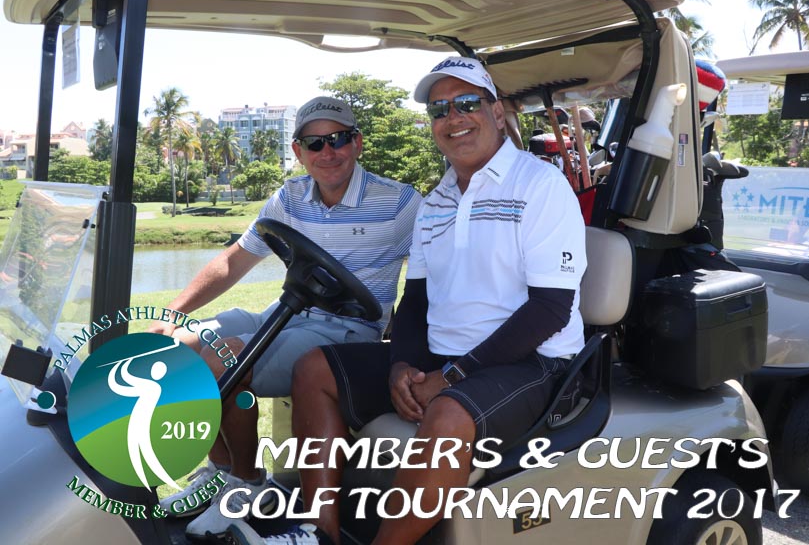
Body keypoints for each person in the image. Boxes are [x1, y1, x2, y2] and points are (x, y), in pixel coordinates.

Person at [227, 57, 587, 545]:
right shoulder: (436, 201)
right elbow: (414, 301)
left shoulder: (540, 185)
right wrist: (402, 366)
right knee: (314, 369)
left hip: (532, 362)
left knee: (448, 413)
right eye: (440, 109)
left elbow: (550, 309)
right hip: (445, 356)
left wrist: (452, 375)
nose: (453, 118)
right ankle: (319, 532)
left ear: (497, 113)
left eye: (467, 103)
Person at [149, 96, 422, 539]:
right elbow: (234, 261)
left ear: (357, 143)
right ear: (298, 151)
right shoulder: (289, 197)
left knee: (223, 360)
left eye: (338, 139)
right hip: (286, 314)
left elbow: (436, 273)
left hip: (348, 331)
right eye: (314, 143)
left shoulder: (400, 203)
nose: (327, 152)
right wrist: (172, 313)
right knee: (177, 351)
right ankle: (222, 471)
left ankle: (248, 481)